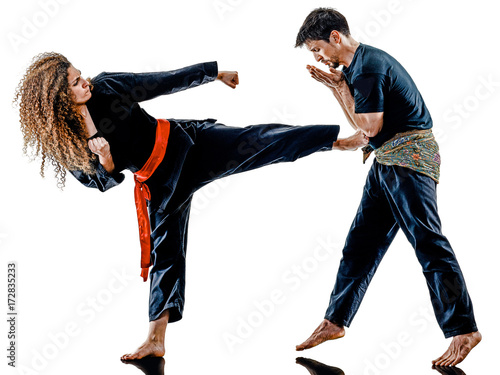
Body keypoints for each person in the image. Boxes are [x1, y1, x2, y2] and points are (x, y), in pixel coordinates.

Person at [14, 52, 341, 360]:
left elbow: (162, 80)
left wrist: (213, 74)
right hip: (159, 184)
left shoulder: (108, 86)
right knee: (165, 256)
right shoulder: (70, 144)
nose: (85, 82)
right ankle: (155, 341)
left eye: (79, 75)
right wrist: (106, 157)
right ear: (61, 100)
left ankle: (336, 141)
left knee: (257, 140)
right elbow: (105, 181)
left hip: (187, 144)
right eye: (75, 83)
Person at [293, 8, 481, 367]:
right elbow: (365, 128)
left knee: (428, 242)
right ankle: (335, 320)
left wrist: (338, 88)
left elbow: (370, 129)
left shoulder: (367, 67)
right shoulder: (356, 68)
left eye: (317, 49)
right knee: (360, 244)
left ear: (335, 37)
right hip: (387, 162)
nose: (317, 58)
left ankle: (464, 329)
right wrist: (338, 87)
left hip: (409, 160)